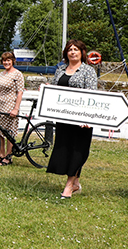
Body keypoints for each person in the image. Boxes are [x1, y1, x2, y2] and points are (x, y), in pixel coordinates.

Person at [46, 39, 97, 199]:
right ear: (66, 53)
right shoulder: (60, 70)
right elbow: (54, 90)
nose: (72, 52)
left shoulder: (88, 71)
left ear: (82, 52)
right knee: (65, 148)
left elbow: (92, 96)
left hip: (82, 120)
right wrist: (45, 90)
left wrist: (88, 118)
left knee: (78, 149)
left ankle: (68, 187)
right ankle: (75, 183)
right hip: (63, 118)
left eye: (76, 49)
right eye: (70, 49)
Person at [0, 52, 25, 166]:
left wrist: (16, 108)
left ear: (13, 61)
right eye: (4, 60)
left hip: (11, 105)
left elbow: (20, 92)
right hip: (0, 106)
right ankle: (1, 154)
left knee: (9, 132)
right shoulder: (0, 74)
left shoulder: (17, 74)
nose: (6, 62)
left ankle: (8, 156)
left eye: (8, 60)